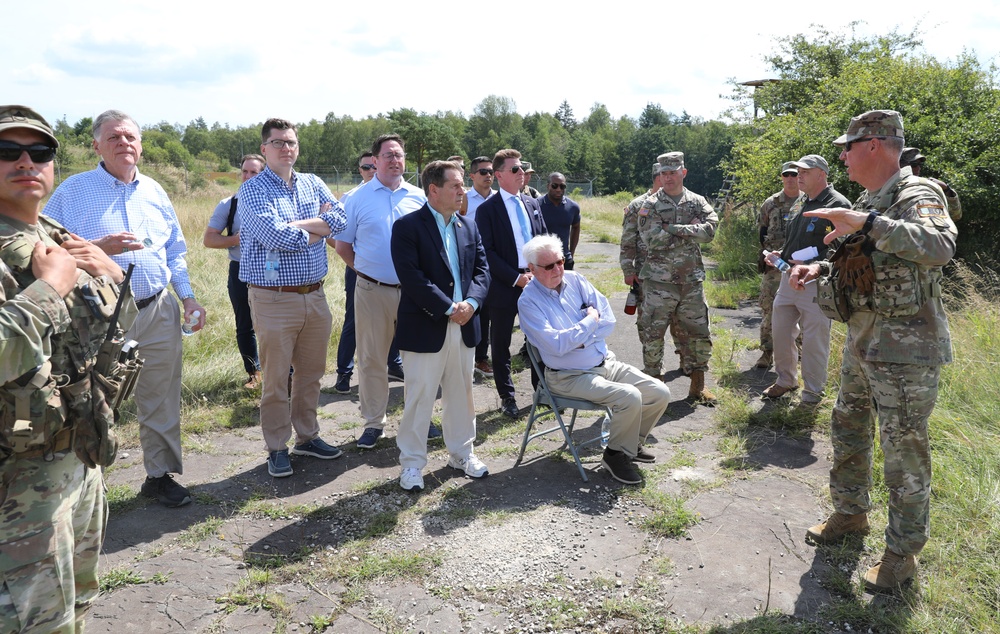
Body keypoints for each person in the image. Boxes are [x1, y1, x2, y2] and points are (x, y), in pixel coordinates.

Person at [790, 110, 956, 592]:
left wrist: (865, 221)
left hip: (907, 350)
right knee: (848, 425)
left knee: (903, 450)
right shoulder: (870, 199)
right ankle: (850, 514)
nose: (842, 155)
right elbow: (865, 261)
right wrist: (819, 271)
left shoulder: (917, 194)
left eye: (848, 147)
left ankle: (902, 555)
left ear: (876, 146)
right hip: (864, 338)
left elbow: (941, 245)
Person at [0, 105, 133, 630]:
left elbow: (100, 335)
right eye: (7, 152)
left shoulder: (55, 236)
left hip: (77, 455)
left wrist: (113, 278)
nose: (26, 162)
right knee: (33, 622)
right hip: (17, 477)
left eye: (40, 152)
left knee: (74, 608)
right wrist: (49, 291)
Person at [45, 109, 205, 507]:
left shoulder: (154, 191)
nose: (124, 143)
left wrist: (186, 296)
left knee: (161, 395)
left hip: (156, 308)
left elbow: (175, 250)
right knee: (89, 399)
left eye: (130, 137)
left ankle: (159, 476)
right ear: (97, 145)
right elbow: (47, 250)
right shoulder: (72, 191)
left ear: (140, 145)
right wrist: (101, 248)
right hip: (99, 316)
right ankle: (83, 489)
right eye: (114, 137)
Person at [237, 117, 347, 478]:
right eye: (279, 143)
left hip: (315, 296)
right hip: (273, 299)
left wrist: (299, 226)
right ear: (265, 149)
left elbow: (343, 219)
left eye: (292, 143)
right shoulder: (252, 190)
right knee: (275, 378)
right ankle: (276, 446)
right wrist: (317, 225)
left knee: (312, 374)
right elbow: (275, 239)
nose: (287, 148)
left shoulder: (313, 183)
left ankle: (308, 436)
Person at [518, 235, 671, 485]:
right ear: (532, 270)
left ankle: (628, 445)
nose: (558, 269)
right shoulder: (528, 302)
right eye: (549, 266)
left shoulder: (576, 279)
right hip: (568, 377)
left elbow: (609, 320)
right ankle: (615, 455)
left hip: (604, 363)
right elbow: (556, 346)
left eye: (560, 261)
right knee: (629, 397)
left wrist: (578, 338)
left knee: (659, 392)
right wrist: (590, 321)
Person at [390, 160, 491, 491]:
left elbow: (481, 271)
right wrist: (449, 307)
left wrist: (472, 304)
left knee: (462, 394)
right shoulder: (407, 228)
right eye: (456, 186)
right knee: (419, 397)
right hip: (427, 324)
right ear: (433, 190)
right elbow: (413, 279)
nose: (463, 191)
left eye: (462, 185)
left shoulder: (468, 227)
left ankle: (461, 454)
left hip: (464, 325)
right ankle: (413, 464)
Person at [334, 134, 430, 449]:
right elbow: (343, 247)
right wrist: (367, 272)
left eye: (398, 154)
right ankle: (374, 424)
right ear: (374, 161)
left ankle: (420, 420)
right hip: (372, 291)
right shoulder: (356, 198)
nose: (394, 159)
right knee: (373, 360)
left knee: (419, 359)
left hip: (415, 293)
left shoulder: (419, 197)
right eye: (387, 154)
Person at [620, 152, 718, 402]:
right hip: (658, 282)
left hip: (691, 282)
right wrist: (689, 230)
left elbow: (709, 232)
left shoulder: (697, 201)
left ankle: (698, 386)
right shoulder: (649, 205)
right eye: (664, 173)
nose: (668, 177)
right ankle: (655, 388)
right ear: (659, 174)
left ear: (683, 173)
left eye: (673, 172)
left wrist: (671, 228)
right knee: (653, 334)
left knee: (698, 332)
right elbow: (651, 239)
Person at [762, 155, 849, 404]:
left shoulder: (837, 203)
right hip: (788, 276)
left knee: (814, 339)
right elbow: (797, 237)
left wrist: (815, 267)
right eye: (797, 171)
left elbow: (843, 246)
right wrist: (782, 254)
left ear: (822, 174)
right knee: (780, 330)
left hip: (816, 282)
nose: (798, 176)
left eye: (805, 172)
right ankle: (785, 380)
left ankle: (812, 392)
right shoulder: (802, 200)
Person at [475, 149, 548, 418]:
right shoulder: (487, 210)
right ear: (499, 175)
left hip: (536, 282)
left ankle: (541, 391)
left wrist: (542, 273)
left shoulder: (532, 204)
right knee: (502, 343)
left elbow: (543, 240)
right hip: (505, 285)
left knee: (539, 339)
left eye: (522, 169)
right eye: (515, 169)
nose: (521, 174)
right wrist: (516, 278)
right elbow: (487, 252)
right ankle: (508, 397)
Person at [332, 151, 404, 395]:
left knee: (396, 323)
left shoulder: (411, 195)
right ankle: (344, 372)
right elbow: (338, 241)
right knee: (355, 323)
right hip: (362, 274)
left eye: (371, 167)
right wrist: (363, 269)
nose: (370, 171)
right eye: (365, 167)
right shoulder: (352, 198)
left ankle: (394, 363)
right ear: (363, 169)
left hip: (402, 280)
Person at [203, 154, 265, 389]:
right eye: (245, 172)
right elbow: (209, 240)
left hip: (271, 271)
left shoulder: (275, 200)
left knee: (276, 323)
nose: (248, 177)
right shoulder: (229, 204)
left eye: (254, 172)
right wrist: (237, 239)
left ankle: (285, 373)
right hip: (239, 269)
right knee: (245, 324)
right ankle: (254, 373)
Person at [755, 161, 800, 369]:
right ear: (782, 177)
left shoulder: (807, 201)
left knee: (802, 310)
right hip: (774, 267)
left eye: (794, 174)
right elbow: (762, 231)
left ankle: (798, 356)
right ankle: (766, 352)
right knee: (769, 309)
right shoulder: (771, 203)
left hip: (800, 265)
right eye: (787, 175)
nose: (790, 179)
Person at [463, 156, 496, 378]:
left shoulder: (500, 199)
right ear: (472, 175)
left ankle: (484, 357)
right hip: (471, 261)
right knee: (475, 310)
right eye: (483, 172)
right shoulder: (464, 200)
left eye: (491, 172)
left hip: (496, 262)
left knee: (493, 313)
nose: (488, 176)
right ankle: (472, 357)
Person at [899, 147, 962, 220]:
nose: (918, 168)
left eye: (920, 164)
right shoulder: (890, 186)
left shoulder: (925, 186)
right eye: (914, 165)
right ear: (900, 164)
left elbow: (955, 215)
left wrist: (946, 190)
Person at [537, 172, 581, 270]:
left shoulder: (572, 207)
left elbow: (576, 226)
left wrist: (571, 252)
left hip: (564, 259)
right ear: (548, 186)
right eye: (554, 186)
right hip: (543, 260)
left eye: (562, 186)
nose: (558, 189)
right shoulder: (536, 205)